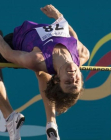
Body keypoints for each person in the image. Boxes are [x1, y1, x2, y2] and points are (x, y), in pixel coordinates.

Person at [0, 4, 90, 140]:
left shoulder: (36, 59)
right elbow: (72, 36)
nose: (73, 76)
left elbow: (8, 54)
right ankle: (51, 124)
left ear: (58, 79)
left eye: (68, 82)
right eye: (77, 81)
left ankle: (9, 117)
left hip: (16, 41)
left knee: (42, 69)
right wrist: (58, 16)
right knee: (43, 72)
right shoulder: (83, 53)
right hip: (46, 52)